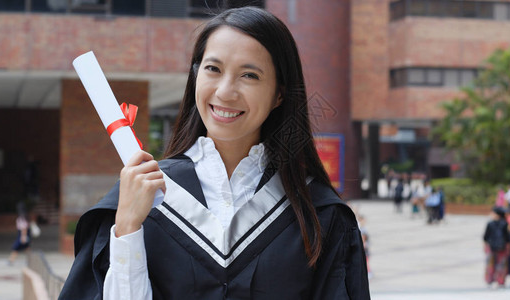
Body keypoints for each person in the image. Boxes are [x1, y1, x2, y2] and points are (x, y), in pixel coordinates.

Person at [60, 7, 370, 300]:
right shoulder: (141, 195)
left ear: (279, 94)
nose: (225, 91)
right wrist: (127, 227)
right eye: (213, 69)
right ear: (196, 75)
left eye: (249, 75)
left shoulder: (319, 213)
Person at [483, 207, 510, 288]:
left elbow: (485, 237)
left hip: (492, 247)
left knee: (491, 264)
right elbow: (508, 238)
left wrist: (485, 247)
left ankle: (490, 280)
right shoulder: (505, 224)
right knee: (501, 265)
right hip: (502, 247)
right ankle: (501, 281)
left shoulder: (490, 223)